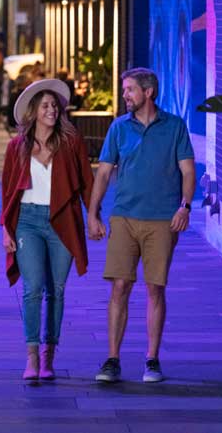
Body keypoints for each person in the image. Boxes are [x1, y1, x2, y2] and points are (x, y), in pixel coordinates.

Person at [86, 67, 195, 384]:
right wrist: (93, 213)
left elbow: (188, 171)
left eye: (129, 89)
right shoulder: (119, 128)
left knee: (155, 288)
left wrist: (185, 206)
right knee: (120, 286)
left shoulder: (174, 126)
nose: (124, 95)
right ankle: (112, 359)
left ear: (148, 92)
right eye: (125, 90)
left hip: (162, 220)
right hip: (124, 217)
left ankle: (152, 359)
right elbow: (103, 173)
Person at [0, 78, 94, 382]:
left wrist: (93, 215)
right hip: (27, 221)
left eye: (55, 105)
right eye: (45, 106)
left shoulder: (71, 142)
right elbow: (7, 190)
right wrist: (5, 229)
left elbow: (87, 183)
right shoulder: (17, 146)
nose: (52, 110)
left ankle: (48, 356)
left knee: (57, 290)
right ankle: (31, 356)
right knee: (32, 289)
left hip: (62, 220)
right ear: (33, 112)